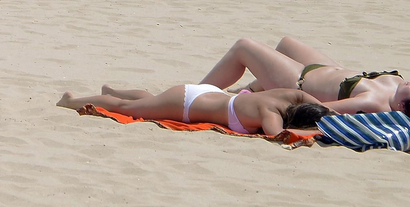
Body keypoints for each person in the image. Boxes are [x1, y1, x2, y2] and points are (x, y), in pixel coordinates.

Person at [198, 37, 410, 114]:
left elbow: (319, 111)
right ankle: (254, 87)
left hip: (299, 82)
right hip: (328, 70)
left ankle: (198, 94)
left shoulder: (373, 102)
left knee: (243, 47)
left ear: (402, 106)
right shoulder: (397, 86)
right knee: (286, 44)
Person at [57, 84, 330, 135]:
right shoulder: (271, 117)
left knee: (150, 101)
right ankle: (69, 100)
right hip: (187, 104)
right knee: (128, 109)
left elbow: (302, 94)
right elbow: (279, 135)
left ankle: (111, 91)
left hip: (205, 93)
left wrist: (330, 113)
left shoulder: (284, 97)